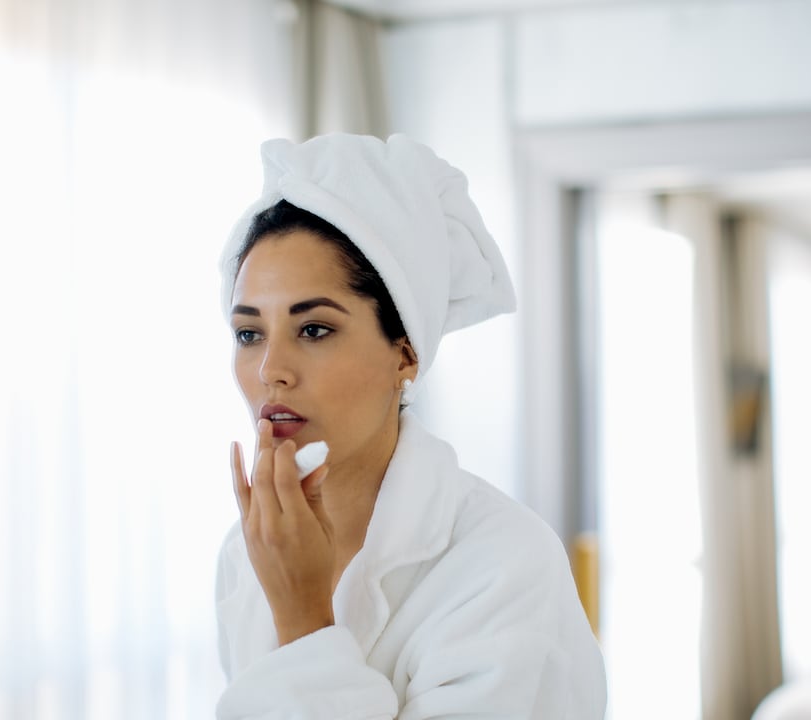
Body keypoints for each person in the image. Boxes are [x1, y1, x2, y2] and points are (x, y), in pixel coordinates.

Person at [214, 133, 606, 718]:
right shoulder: (248, 552)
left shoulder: (505, 565)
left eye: (314, 329)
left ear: (405, 353)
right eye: (249, 333)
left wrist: (303, 618)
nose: (270, 370)